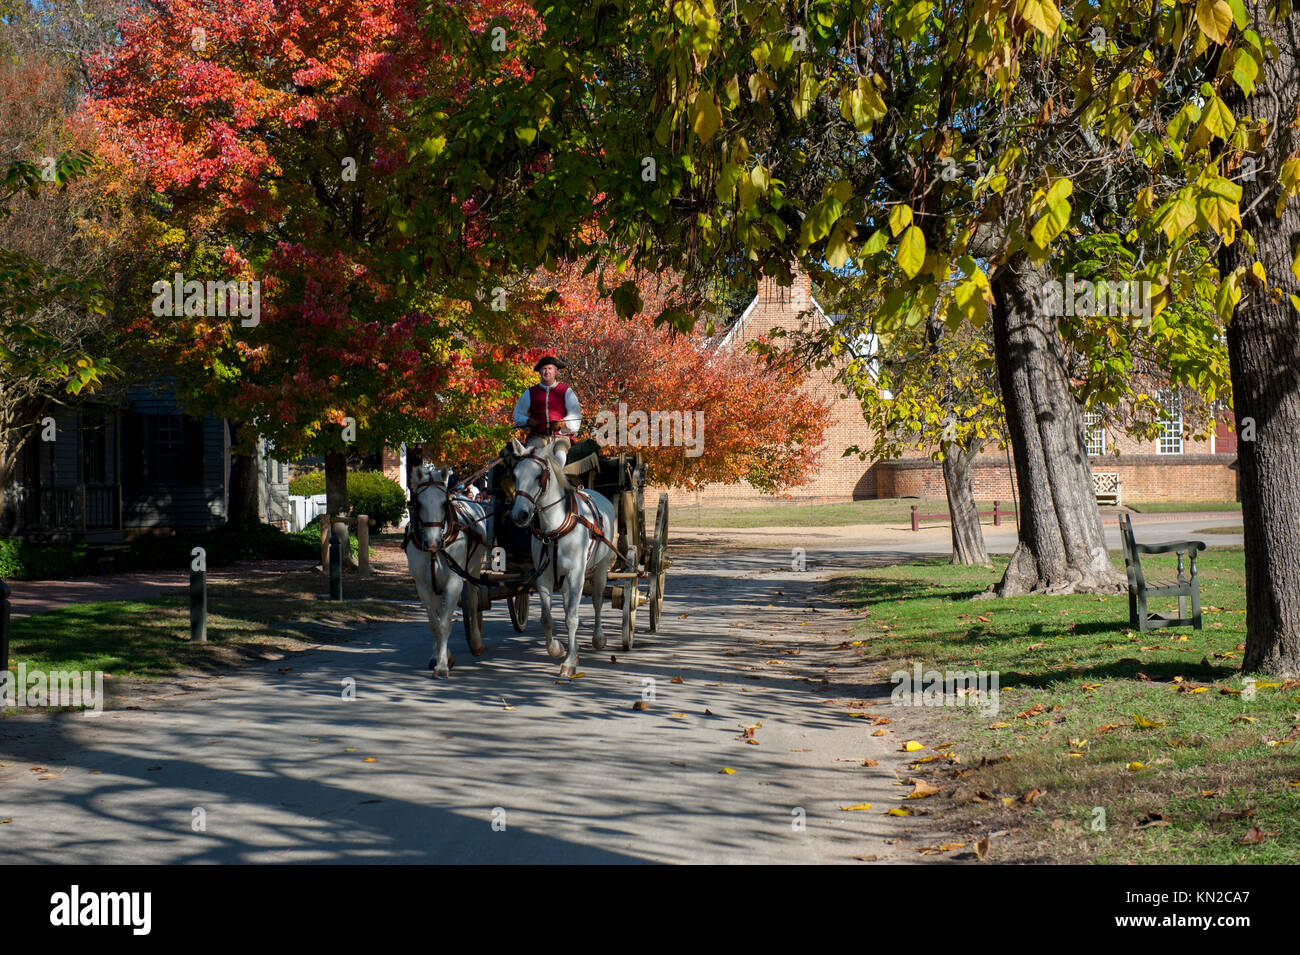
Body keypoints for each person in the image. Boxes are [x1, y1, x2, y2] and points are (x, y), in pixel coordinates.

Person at [513, 355, 581, 467]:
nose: (547, 372)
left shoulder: (566, 391)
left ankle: (556, 481)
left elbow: (576, 416)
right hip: (537, 437)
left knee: (560, 455)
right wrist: (528, 421)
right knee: (534, 458)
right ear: (540, 372)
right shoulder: (530, 392)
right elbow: (518, 415)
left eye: (550, 369)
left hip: (561, 437)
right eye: (544, 369)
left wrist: (563, 422)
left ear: (555, 372)